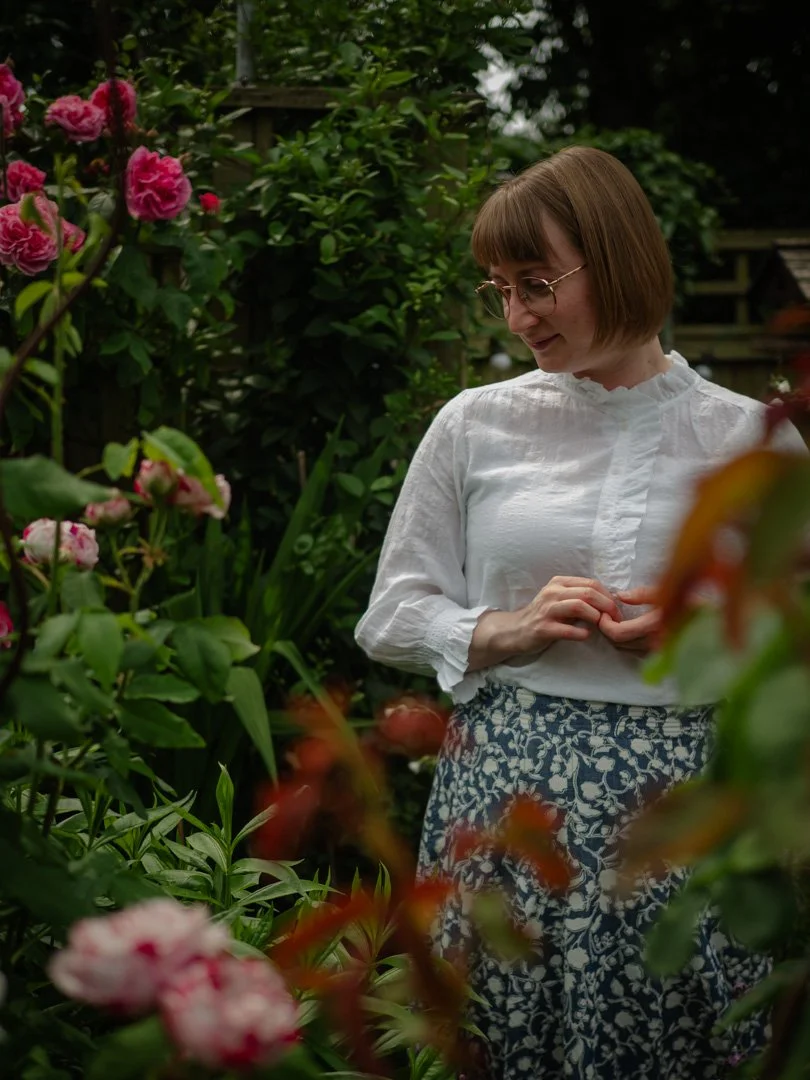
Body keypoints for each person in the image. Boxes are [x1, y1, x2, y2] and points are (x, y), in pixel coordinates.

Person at [354, 146, 807, 1080]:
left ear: (616, 258)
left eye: (537, 284)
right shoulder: (475, 424)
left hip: (685, 818)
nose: (519, 317)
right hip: (504, 812)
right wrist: (501, 630)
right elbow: (392, 613)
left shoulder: (748, 437)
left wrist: (710, 629)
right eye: (499, 290)